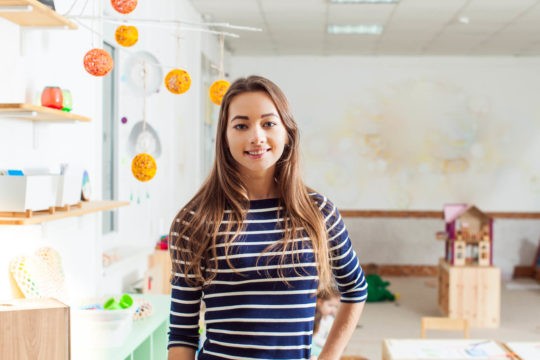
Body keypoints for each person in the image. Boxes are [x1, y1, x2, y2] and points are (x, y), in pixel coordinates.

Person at [167, 75, 367, 360]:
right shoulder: (194, 220)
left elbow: (355, 289)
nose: (256, 137)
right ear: (224, 136)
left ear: (287, 131)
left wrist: (329, 357)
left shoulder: (319, 213)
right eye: (241, 125)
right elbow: (182, 332)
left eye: (268, 123)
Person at [311, 288, 341, 358]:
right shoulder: (314, 319)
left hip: (323, 346)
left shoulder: (330, 319)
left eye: (336, 306)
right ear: (319, 302)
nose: (333, 309)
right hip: (314, 346)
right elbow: (314, 338)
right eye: (330, 305)